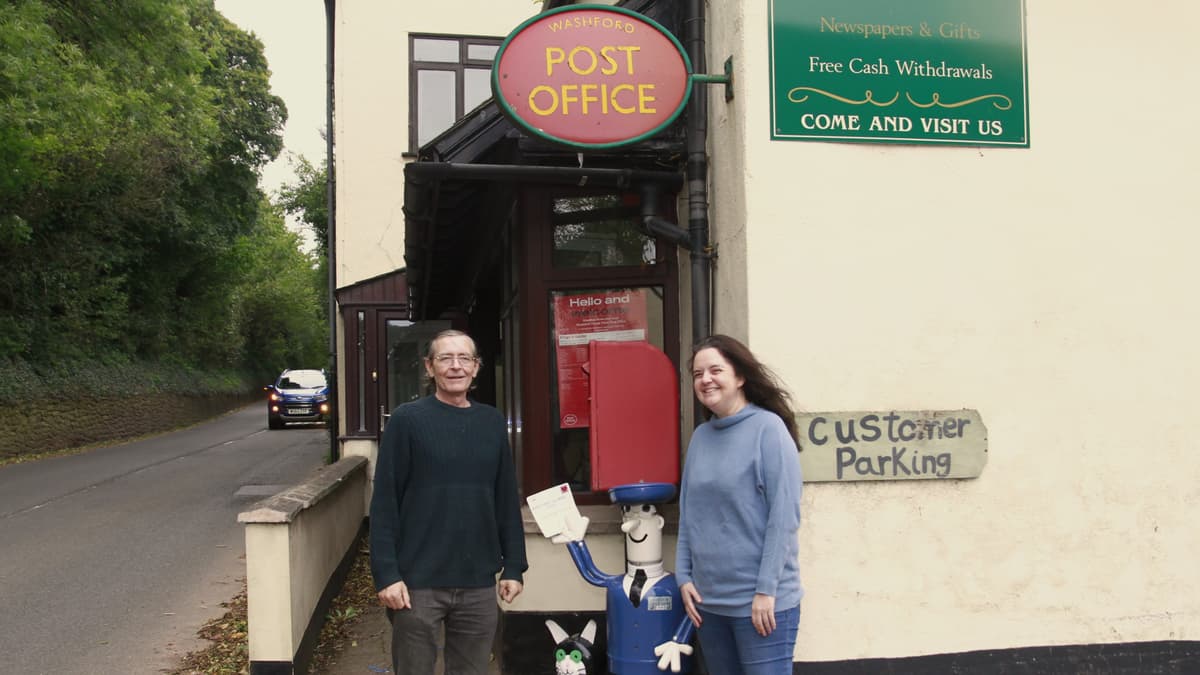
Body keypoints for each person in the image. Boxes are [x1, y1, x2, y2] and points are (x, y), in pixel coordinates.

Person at [369, 329, 527, 675]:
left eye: (464, 358)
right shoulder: (407, 421)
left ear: (476, 367)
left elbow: (504, 497)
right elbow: (384, 504)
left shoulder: (491, 422)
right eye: (445, 358)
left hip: (478, 583)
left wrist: (514, 565)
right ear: (429, 367)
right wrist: (386, 575)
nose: (455, 367)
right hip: (416, 584)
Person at [674, 334, 803, 675]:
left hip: (760, 606)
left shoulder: (769, 430)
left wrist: (765, 591)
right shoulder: (701, 437)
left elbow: (783, 519)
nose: (706, 379)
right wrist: (684, 576)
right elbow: (690, 514)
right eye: (698, 373)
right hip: (708, 606)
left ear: (740, 377)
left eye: (716, 370)